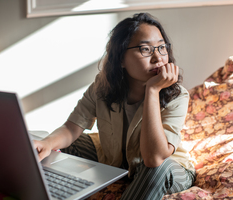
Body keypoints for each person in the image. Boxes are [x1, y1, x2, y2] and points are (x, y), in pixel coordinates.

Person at [34, 12, 196, 200]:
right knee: (51, 142)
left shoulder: (177, 95)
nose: (158, 58)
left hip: (168, 168)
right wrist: (46, 144)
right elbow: (71, 127)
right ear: (120, 58)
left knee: (156, 169)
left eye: (161, 47)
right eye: (145, 49)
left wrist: (152, 91)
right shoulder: (102, 87)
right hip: (116, 161)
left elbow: (154, 158)